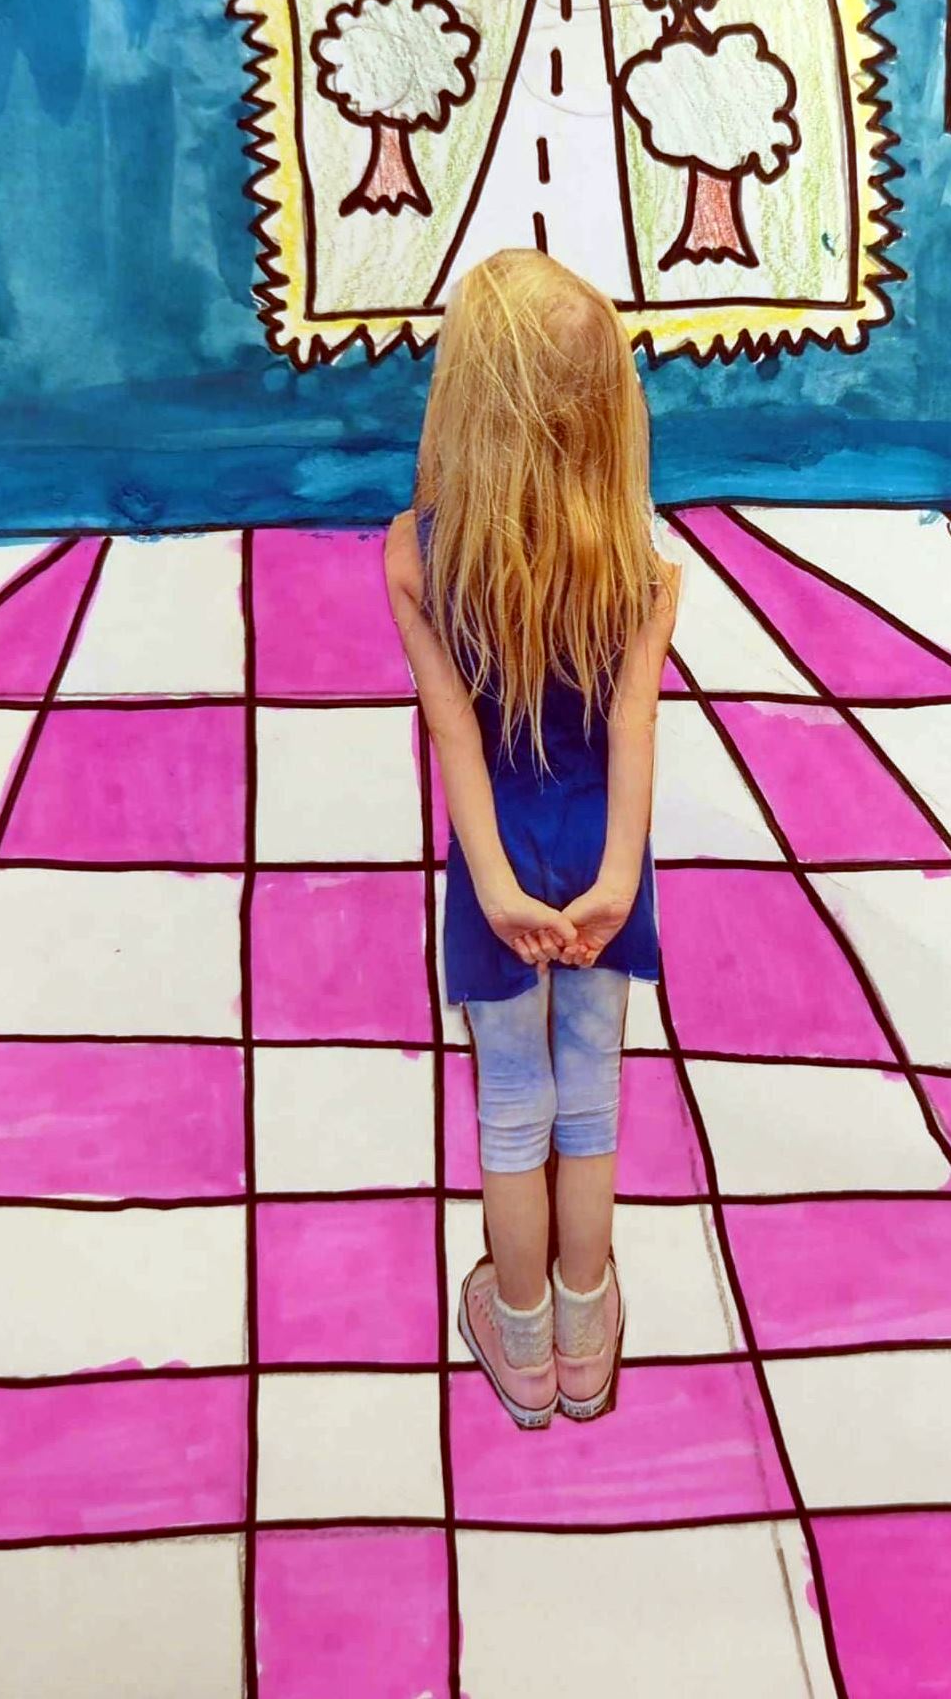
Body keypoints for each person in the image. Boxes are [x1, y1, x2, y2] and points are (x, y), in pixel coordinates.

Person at [385, 249, 678, 1428]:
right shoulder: (641, 556)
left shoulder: (416, 551)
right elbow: (632, 721)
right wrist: (616, 878)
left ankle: (518, 1342)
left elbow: (453, 735)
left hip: (495, 854)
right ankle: (587, 1333)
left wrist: (498, 888)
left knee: (513, 1102)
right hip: (603, 846)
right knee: (590, 1098)